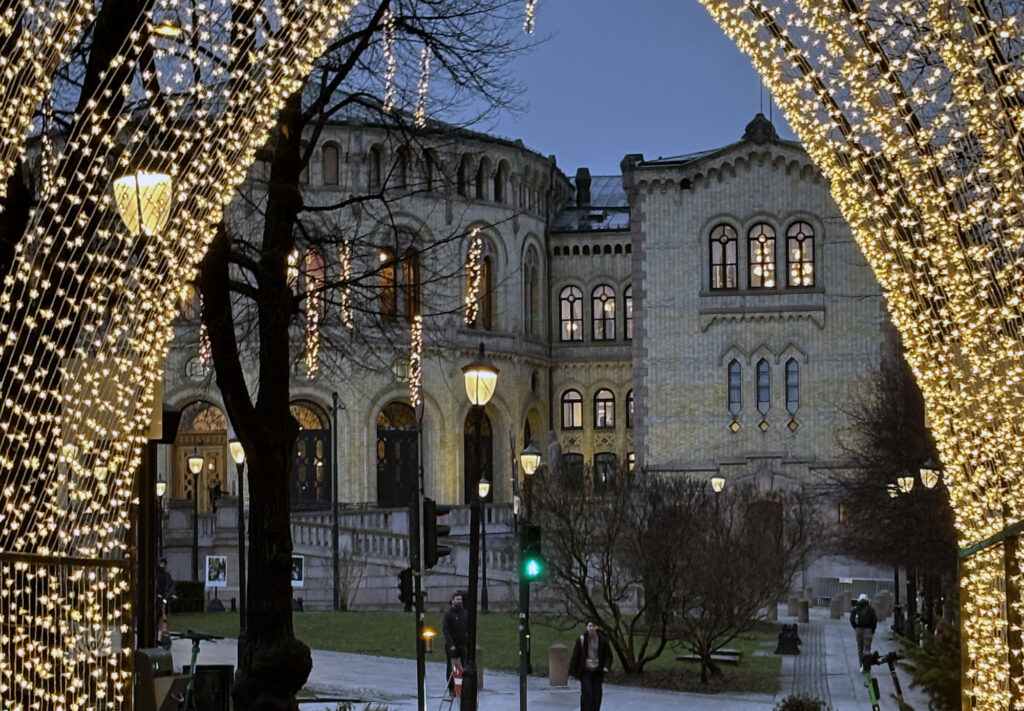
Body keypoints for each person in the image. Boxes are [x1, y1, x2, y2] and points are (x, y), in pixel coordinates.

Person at [568, 620, 613, 711]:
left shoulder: (602, 640)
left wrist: (606, 666)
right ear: (587, 628)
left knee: (597, 694)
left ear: (596, 628)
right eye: (589, 626)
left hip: (597, 671)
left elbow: (608, 655)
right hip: (585, 670)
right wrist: (572, 672)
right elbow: (576, 656)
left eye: (593, 626)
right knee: (587, 693)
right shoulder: (582, 640)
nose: (591, 628)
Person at [442, 591, 468, 695]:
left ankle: (465, 687)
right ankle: (451, 688)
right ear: (453, 601)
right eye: (457, 599)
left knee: (465, 665)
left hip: (462, 644)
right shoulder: (448, 614)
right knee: (451, 667)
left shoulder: (464, 612)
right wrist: (451, 644)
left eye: (460, 599)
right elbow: (446, 630)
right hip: (452, 645)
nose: (459, 601)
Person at [850, 593, 878, 670]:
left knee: (860, 648)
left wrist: (855, 627)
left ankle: (861, 665)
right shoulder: (871, 610)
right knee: (867, 649)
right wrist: (872, 629)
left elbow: (852, 619)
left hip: (859, 630)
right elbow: (874, 620)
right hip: (868, 630)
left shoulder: (855, 609)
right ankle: (867, 665)